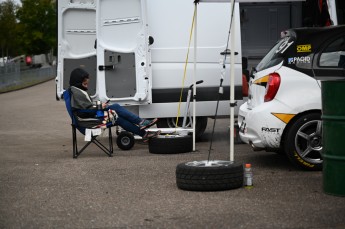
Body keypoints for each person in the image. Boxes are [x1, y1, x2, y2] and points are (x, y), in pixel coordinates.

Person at [68, 68, 160, 142]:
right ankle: (141, 123)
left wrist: (99, 106)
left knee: (118, 117)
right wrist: (99, 107)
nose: (87, 86)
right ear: (78, 82)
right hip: (88, 122)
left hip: (90, 116)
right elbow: (84, 110)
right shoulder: (77, 93)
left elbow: (85, 107)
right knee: (115, 107)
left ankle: (144, 133)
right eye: (85, 84)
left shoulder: (76, 90)